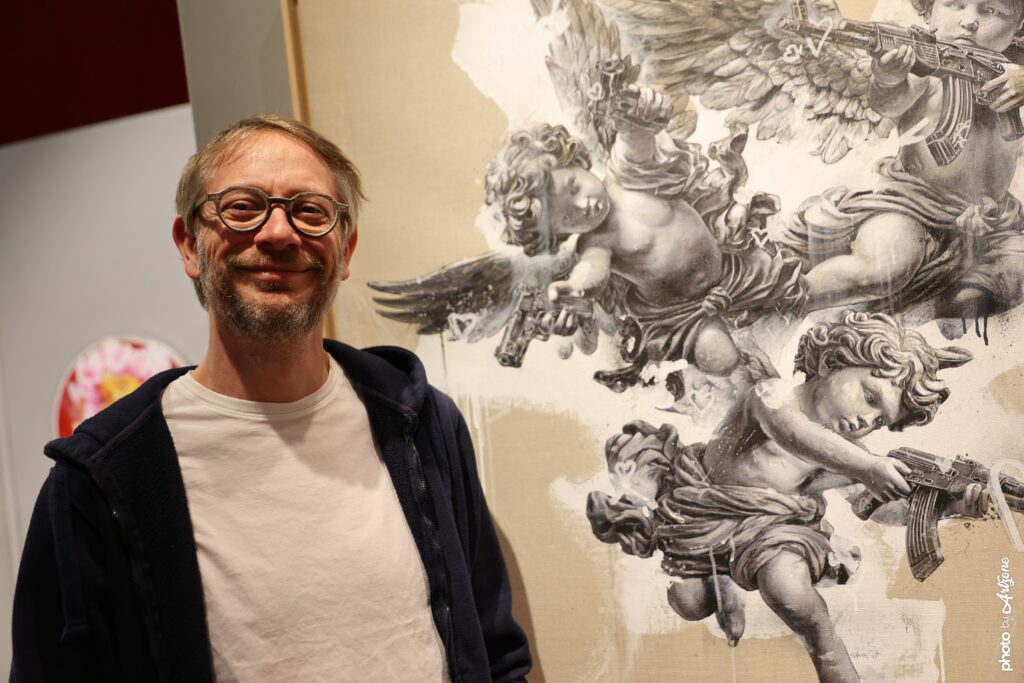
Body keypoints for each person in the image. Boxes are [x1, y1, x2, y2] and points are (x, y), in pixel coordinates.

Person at [10, 115, 531, 682]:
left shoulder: (423, 425)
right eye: (241, 207)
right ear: (188, 244)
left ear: (346, 249)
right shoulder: (100, 480)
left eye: (310, 211)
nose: (279, 233)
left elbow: (496, 653)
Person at [587, 311, 973, 682]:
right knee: (689, 604)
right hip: (700, 506)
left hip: (769, 527)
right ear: (832, 362)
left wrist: (952, 505)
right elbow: (793, 434)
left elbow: (873, 505)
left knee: (787, 588)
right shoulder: (773, 396)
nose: (866, 421)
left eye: (881, 421)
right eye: (870, 398)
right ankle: (720, 579)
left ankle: (828, 652)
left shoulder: (848, 454)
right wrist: (869, 466)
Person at [484, 89, 806, 391]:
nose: (584, 205)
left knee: (796, 289)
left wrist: (634, 119)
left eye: (573, 186)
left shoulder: (626, 174)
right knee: (721, 359)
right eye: (568, 217)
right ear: (559, 233)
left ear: (574, 161)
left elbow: (633, 143)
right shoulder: (595, 243)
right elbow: (592, 272)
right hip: (681, 313)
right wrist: (574, 289)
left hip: (730, 271)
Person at [785, 0, 1024, 320]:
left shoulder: (1010, 71)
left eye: (992, 11)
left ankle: (958, 297)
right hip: (911, 204)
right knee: (884, 268)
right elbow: (890, 104)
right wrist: (888, 79)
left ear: (1019, 26)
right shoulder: (927, 69)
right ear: (929, 12)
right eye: (956, 5)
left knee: (1012, 274)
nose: (970, 21)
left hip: (991, 216)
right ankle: (790, 298)